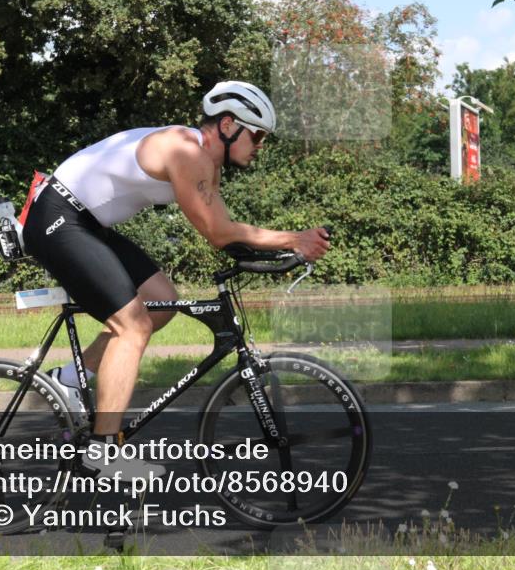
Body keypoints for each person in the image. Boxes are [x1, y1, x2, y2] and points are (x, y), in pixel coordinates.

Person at [21, 81, 330, 477]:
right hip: (58, 216)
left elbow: (227, 233)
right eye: (257, 136)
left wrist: (282, 252)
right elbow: (218, 232)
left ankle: (67, 380)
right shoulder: (187, 153)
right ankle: (101, 452)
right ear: (229, 125)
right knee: (131, 328)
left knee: (161, 301)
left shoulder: (206, 163)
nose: (259, 146)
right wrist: (294, 240)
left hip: (86, 221)